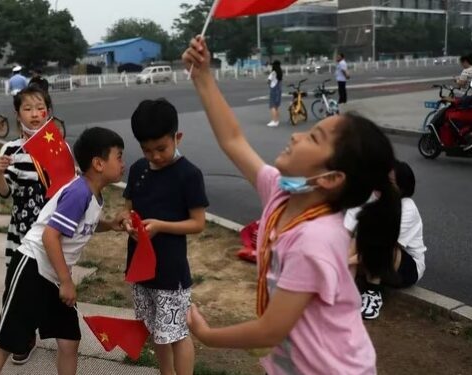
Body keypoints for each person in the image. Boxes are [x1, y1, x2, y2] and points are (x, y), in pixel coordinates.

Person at [182, 36, 401, 374]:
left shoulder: (314, 241)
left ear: (329, 178)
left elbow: (271, 329)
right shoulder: (282, 194)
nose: (297, 135)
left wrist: (207, 335)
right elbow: (233, 139)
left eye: (313, 138)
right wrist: (204, 77)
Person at [0, 127, 127, 375]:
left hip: (53, 275)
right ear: (99, 164)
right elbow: (50, 236)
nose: (123, 163)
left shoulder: (93, 193)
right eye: (119, 156)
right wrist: (66, 281)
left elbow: (81, 225)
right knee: (5, 344)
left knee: (69, 340)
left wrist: (110, 224)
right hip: (33, 268)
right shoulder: (79, 192)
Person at [122, 99, 208, 375]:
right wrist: (127, 223)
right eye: (147, 150)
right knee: (155, 331)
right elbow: (128, 210)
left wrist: (161, 226)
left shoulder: (189, 174)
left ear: (177, 137)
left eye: (161, 148)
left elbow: (198, 223)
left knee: (177, 333)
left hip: (171, 273)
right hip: (140, 269)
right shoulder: (138, 170)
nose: (155, 156)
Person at [0, 86, 53, 364]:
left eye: (39, 108)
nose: (34, 114)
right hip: (21, 230)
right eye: (27, 109)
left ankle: (49, 329)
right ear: (17, 115)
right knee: (16, 285)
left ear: (47, 112)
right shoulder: (11, 149)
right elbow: (4, 194)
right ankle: (23, 336)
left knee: (46, 284)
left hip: (50, 230)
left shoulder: (57, 147)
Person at [345, 160, 426, 320]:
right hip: (368, 257)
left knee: (380, 247)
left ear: (401, 188)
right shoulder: (368, 197)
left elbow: (382, 247)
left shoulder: (407, 208)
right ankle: (343, 290)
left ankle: (373, 293)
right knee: (354, 239)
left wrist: (344, 262)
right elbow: (344, 232)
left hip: (404, 266)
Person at [267, 60, 283, 127]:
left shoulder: (273, 73)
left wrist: (269, 83)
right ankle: (277, 121)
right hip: (279, 90)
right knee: (276, 106)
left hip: (273, 90)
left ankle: (274, 121)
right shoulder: (280, 72)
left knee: (272, 106)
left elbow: (268, 81)